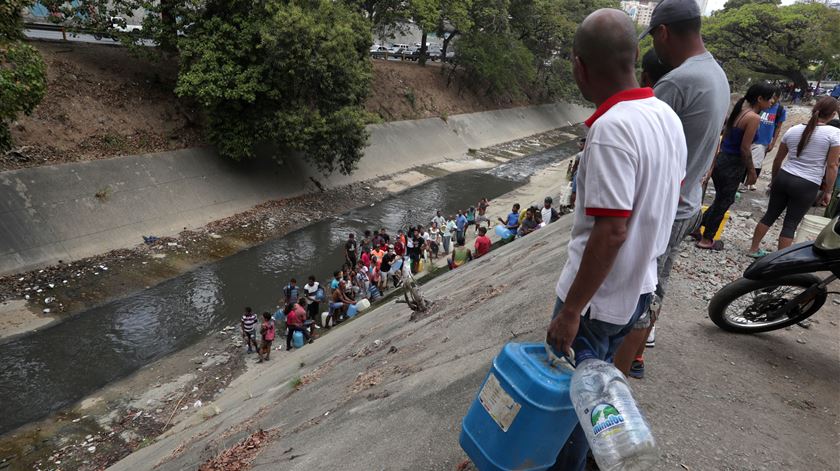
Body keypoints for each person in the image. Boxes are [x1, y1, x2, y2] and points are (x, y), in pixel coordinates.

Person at [545, 9, 686, 469]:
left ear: (579, 66)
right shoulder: (665, 115)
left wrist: (571, 311)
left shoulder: (611, 130)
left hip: (596, 303)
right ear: (635, 54)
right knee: (600, 393)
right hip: (638, 288)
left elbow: (611, 231)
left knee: (573, 405)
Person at [616, 0, 731, 380]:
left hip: (661, 210)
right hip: (688, 203)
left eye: (653, 37)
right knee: (656, 284)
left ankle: (617, 372)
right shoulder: (716, 74)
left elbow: (641, 151)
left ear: (663, 32)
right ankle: (636, 357)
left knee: (637, 289)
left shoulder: (677, 82)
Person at [748, 97, 840, 256]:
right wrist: (828, 191)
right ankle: (780, 261)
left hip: (784, 177)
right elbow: (832, 166)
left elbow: (778, 160)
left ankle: (753, 249)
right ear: (832, 114)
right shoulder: (834, 134)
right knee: (790, 224)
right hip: (807, 184)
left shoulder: (794, 129)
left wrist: (774, 180)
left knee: (769, 215)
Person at [696, 82, 775, 250]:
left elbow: (725, 138)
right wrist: (752, 172)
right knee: (724, 201)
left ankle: (696, 226)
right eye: (770, 99)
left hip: (722, 160)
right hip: (733, 164)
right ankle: (707, 239)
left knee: (722, 199)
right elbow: (745, 148)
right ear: (760, 99)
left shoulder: (740, 111)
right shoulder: (753, 118)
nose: (772, 102)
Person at [743, 87, 786, 191]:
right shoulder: (761, 106)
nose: (772, 100)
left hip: (764, 140)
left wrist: (773, 142)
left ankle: (751, 182)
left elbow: (778, 127)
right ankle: (742, 182)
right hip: (751, 137)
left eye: (774, 97)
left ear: (778, 97)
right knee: (746, 159)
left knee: (757, 162)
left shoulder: (780, 110)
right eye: (770, 97)